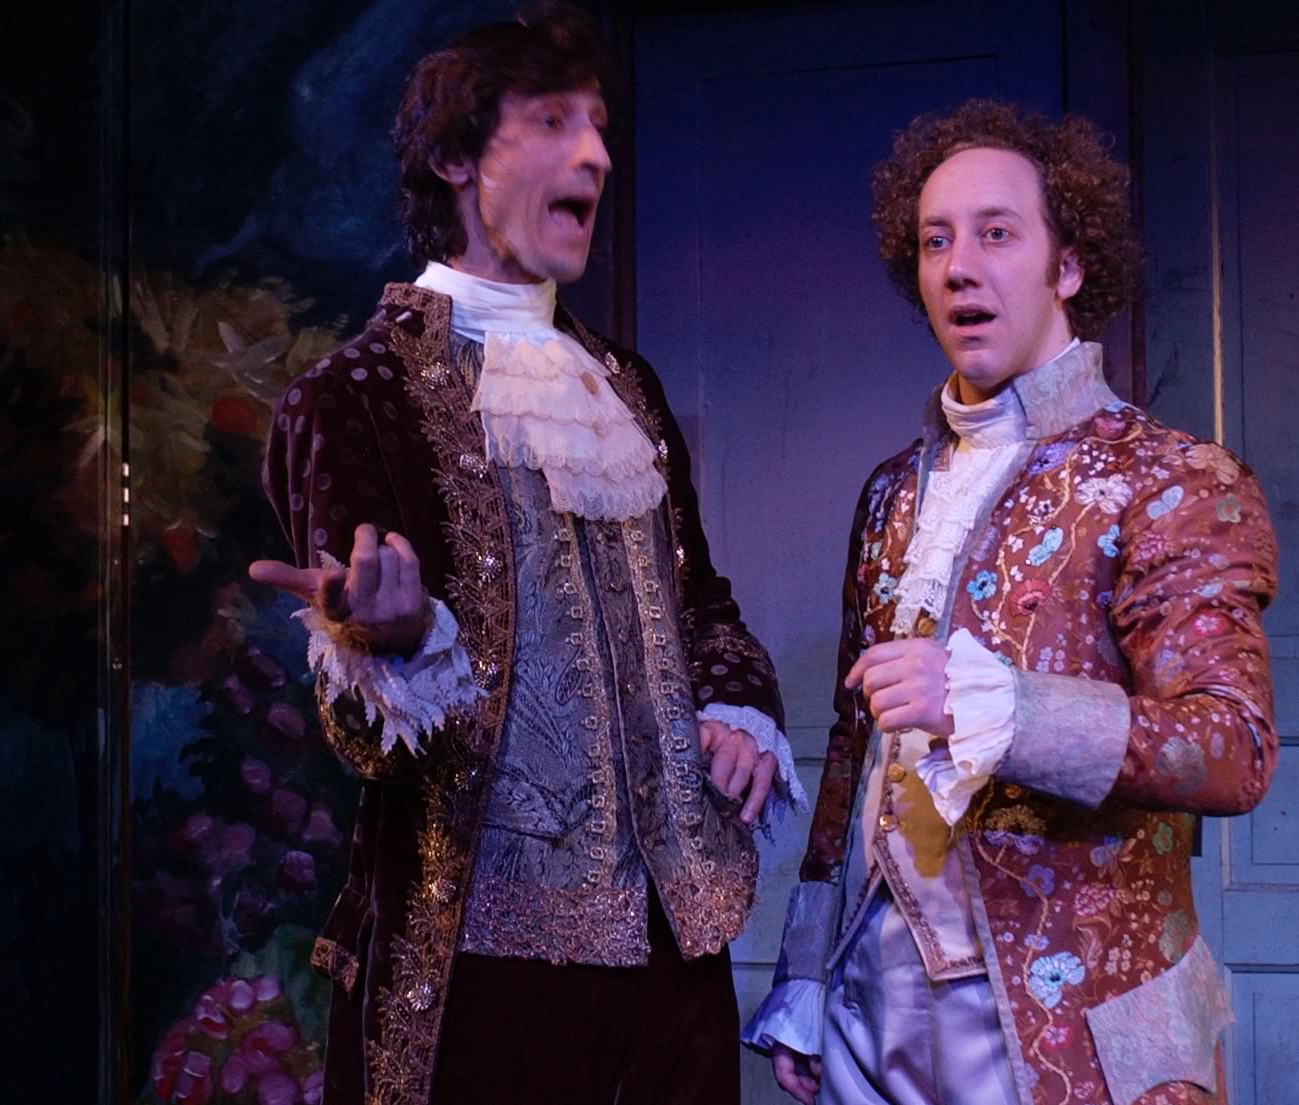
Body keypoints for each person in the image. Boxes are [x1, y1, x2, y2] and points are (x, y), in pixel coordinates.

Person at [250, 9, 803, 1105]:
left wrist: (738, 708)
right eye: (552, 122)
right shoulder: (354, 398)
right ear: (457, 157)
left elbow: (701, 606)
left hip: (671, 963)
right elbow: (365, 739)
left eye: (597, 125)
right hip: (478, 965)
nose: (594, 153)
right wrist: (389, 641)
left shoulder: (625, 385)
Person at [744, 100, 1280, 1105]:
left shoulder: (1169, 478)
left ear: (1066, 266)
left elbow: (1230, 746)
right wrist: (806, 972)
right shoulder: (890, 493)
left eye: (996, 234)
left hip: (1068, 1024)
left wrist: (1002, 709)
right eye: (934, 240)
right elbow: (854, 753)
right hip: (873, 1002)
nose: (959, 267)